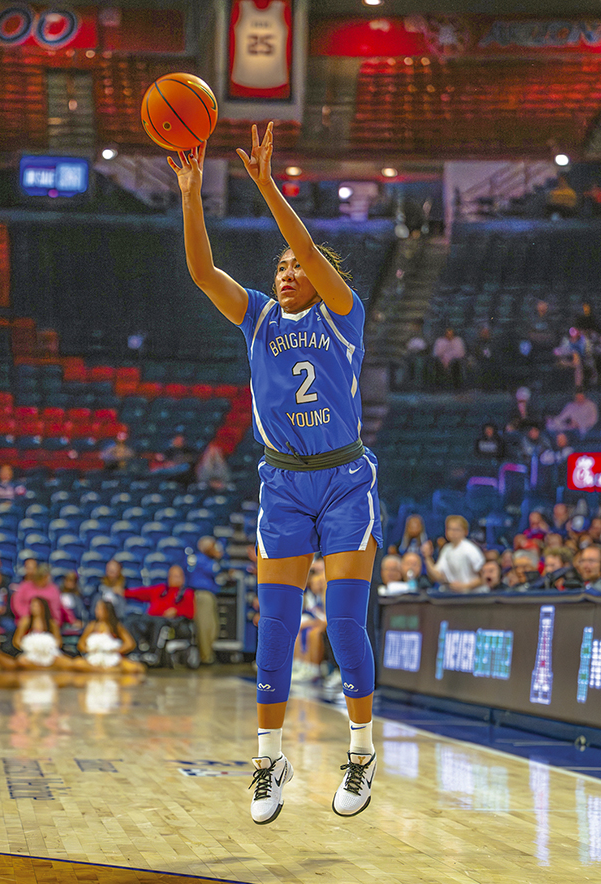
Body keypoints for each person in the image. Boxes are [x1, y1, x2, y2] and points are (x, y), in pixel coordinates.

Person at [169, 124, 383, 823]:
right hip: (284, 485)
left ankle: (359, 751)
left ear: (320, 275)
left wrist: (266, 184)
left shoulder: (344, 316)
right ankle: (268, 761)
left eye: (300, 264)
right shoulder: (257, 318)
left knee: (346, 624)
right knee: (276, 628)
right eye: (280, 266)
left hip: (345, 481)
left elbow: (315, 261)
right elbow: (202, 275)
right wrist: (193, 194)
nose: (288, 272)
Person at [125, 564, 195, 664]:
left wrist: (176, 611)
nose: (174, 579)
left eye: (177, 576)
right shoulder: (160, 589)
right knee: (131, 619)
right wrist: (123, 592)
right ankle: (135, 652)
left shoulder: (187, 593)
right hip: (150, 619)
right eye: (172, 576)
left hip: (171, 622)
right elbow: (140, 593)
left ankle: (153, 653)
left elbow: (190, 613)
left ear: (183, 578)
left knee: (158, 622)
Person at [73, 598, 144, 673]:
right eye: (96, 609)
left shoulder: (115, 626)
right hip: (94, 657)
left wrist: (114, 650)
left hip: (112, 658)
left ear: (107, 611)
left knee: (136, 667)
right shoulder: (92, 625)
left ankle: (107, 670)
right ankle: (104, 670)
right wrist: (91, 650)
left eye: (99, 609)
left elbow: (130, 644)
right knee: (78, 663)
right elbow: (81, 644)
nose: (96, 611)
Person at [421, 515, 484, 593]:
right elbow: (438, 576)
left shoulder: (471, 549)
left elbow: (483, 577)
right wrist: (427, 557)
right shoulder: (446, 549)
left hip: (474, 595)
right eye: (450, 529)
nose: (452, 532)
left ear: (465, 532)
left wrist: (465, 586)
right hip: (453, 596)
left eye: (456, 529)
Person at [292, 558, 328, 682]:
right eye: (314, 583)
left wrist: (312, 623)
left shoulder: (326, 595)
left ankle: (313, 668)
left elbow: (326, 618)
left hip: (326, 624)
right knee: (299, 631)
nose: (316, 585)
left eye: (319, 582)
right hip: (318, 622)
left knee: (314, 633)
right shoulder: (312, 596)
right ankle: (299, 664)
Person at [12, 596, 72, 670]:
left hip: (48, 653)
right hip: (31, 653)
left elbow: (58, 642)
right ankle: (44, 668)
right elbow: (17, 641)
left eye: (37, 606)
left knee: (66, 662)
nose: (34, 608)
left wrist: (48, 647)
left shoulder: (52, 623)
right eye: (32, 605)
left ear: (43, 607)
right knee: (21, 661)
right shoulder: (25, 621)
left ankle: (44, 667)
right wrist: (28, 647)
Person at [188, 536, 222, 665]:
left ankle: (208, 655)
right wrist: (217, 556)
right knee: (205, 627)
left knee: (213, 627)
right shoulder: (199, 559)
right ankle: (206, 658)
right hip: (202, 595)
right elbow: (213, 570)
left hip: (210, 595)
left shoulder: (208, 560)